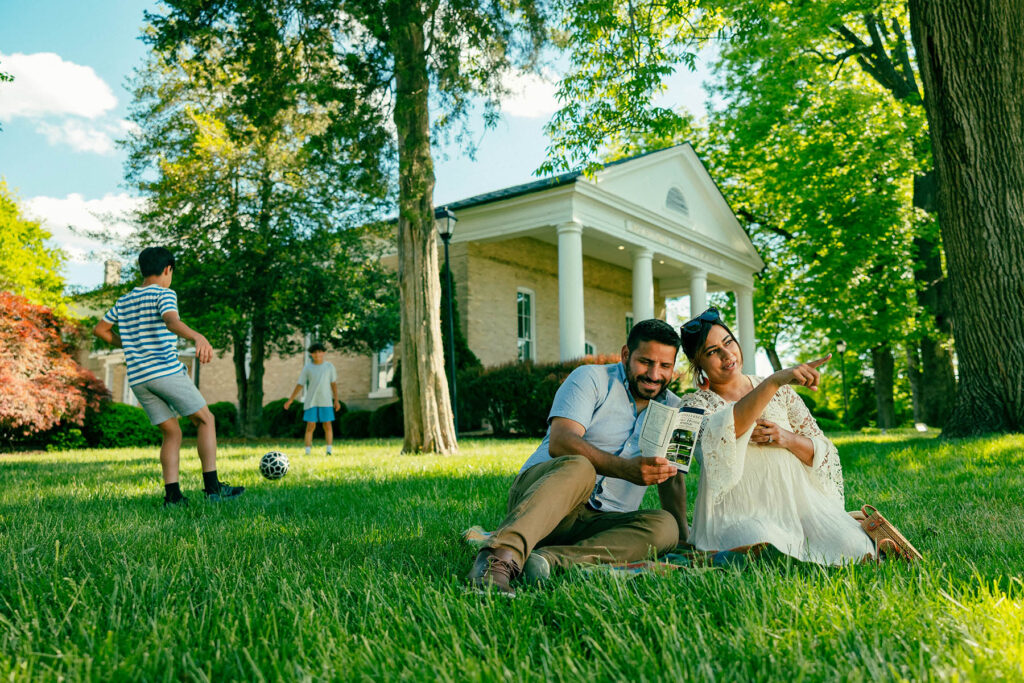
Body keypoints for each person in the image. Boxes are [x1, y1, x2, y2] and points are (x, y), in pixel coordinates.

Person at [468, 319, 687, 596]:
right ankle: (498, 559)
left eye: (665, 366)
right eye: (646, 362)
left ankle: (549, 560)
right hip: (543, 500)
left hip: (600, 524)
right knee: (581, 466)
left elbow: (672, 476)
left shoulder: (676, 410)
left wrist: (682, 538)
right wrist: (626, 470)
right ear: (625, 355)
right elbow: (562, 442)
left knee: (666, 526)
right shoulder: (591, 379)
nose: (654, 374)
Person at [678, 306, 874, 565]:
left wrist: (786, 438)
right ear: (697, 363)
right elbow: (725, 433)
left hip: (799, 506)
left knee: (857, 549)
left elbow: (822, 450)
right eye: (712, 352)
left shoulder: (782, 391)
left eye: (728, 343)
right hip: (739, 514)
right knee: (765, 548)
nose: (727, 355)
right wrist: (772, 382)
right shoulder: (693, 404)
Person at [93, 246, 245, 507]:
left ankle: (173, 497)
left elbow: (100, 330)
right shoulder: (164, 293)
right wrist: (198, 336)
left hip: (139, 379)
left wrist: (130, 343)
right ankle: (213, 489)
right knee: (206, 420)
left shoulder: (125, 300)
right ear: (167, 270)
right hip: (164, 371)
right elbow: (171, 321)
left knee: (172, 433)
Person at [284, 342, 340, 455]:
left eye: (319, 352)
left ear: (323, 353)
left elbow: (333, 384)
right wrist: (290, 400)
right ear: (311, 354)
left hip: (326, 401)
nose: (317, 354)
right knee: (310, 426)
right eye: (314, 352)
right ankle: (307, 451)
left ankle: (329, 450)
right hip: (311, 401)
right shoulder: (308, 368)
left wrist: (336, 400)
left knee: (327, 425)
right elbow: (300, 384)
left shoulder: (329, 367)